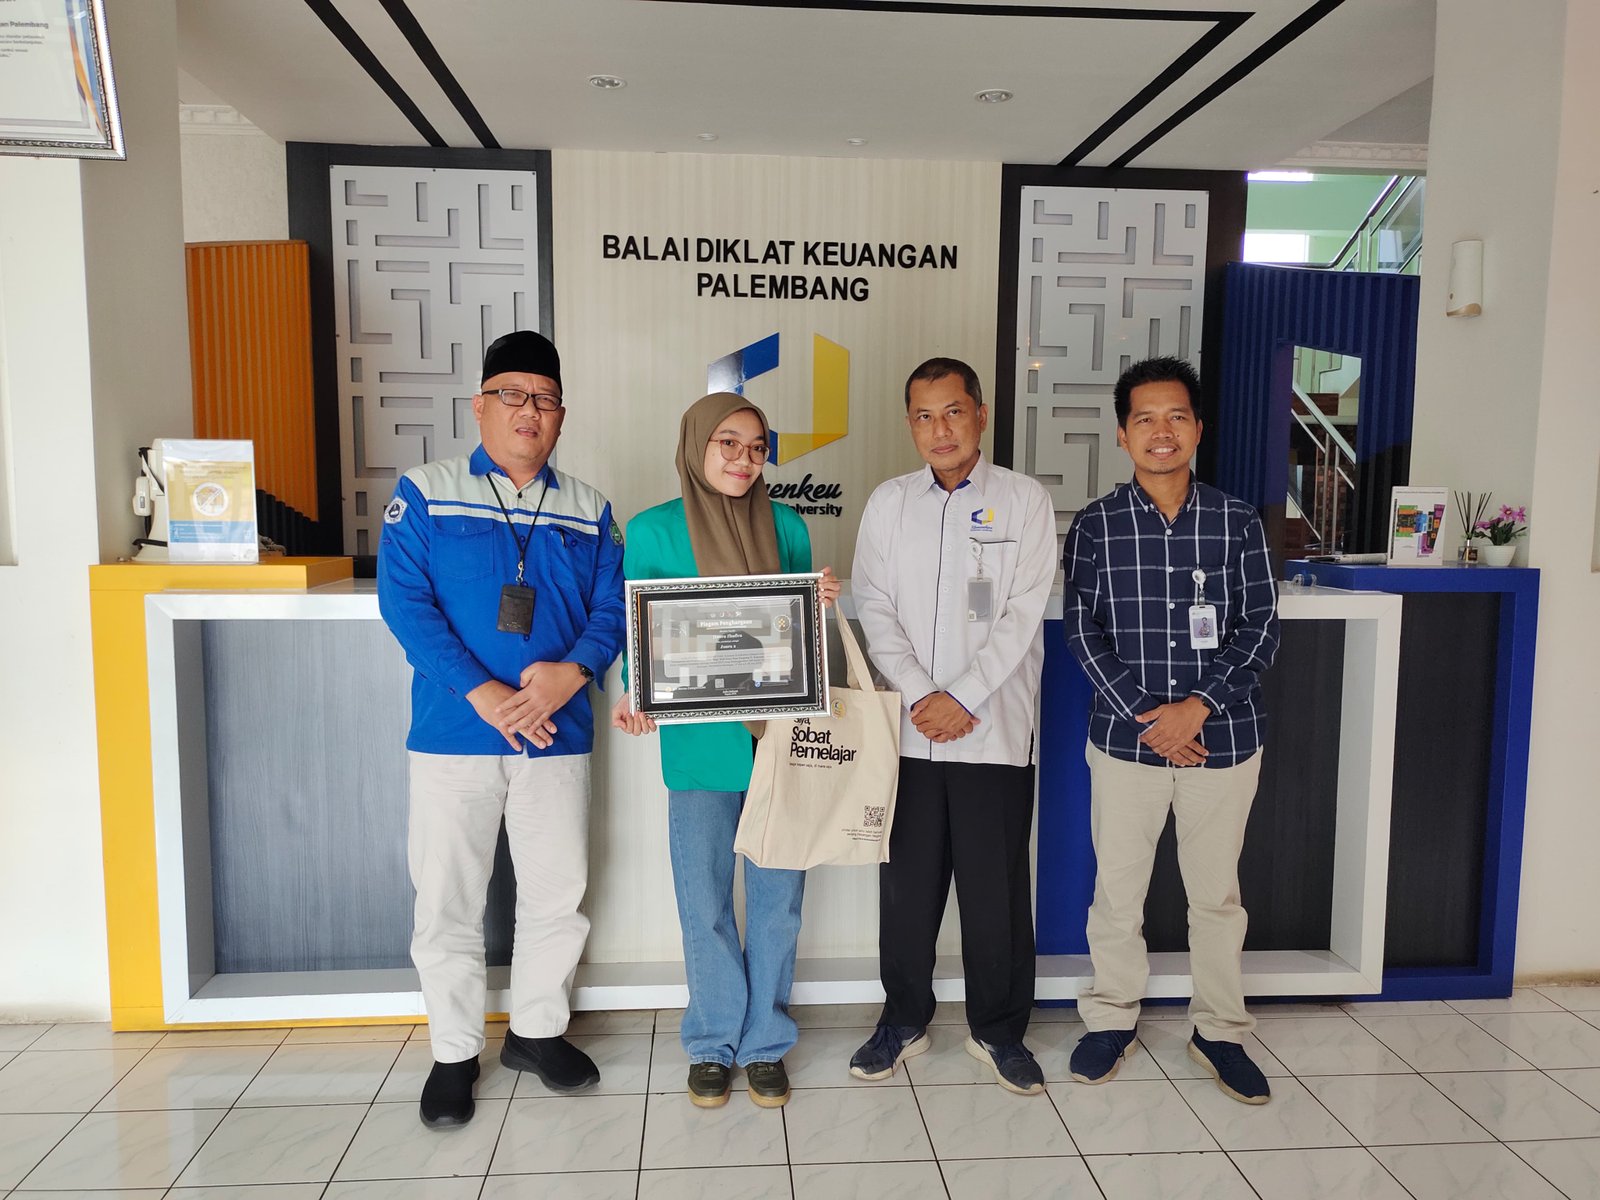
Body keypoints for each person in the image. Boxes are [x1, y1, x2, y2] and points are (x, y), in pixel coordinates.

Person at [377, 330, 625, 1128]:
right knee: (448, 899)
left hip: (558, 733)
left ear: (561, 416)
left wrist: (572, 673)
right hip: (455, 732)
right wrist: (482, 691)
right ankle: (454, 1053)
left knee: (558, 894)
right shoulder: (427, 491)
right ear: (479, 406)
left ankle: (536, 1033)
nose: (529, 411)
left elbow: (613, 609)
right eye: (512, 395)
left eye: (545, 399)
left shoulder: (590, 509)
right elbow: (405, 604)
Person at [612, 392, 840, 1110]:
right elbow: (637, 629)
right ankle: (712, 1042)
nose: (744, 459)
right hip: (698, 745)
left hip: (780, 745)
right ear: (696, 445)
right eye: (728, 443)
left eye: (757, 446)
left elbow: (798, 634)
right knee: (703, 898)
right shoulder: (652, 529)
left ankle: (766, 1042)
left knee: (778, 903)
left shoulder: (787, 524)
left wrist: (818, 603)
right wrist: (634, 691)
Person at [1062, 355, 1280, 1105]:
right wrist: (1148, 716)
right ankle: (1111, 1017)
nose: (1163, 431)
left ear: (1198, 429)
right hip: (1127, 743)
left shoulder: (1237, 521)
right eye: (1146, 419)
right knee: (1118, 893)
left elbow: (1260, 628)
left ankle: (1219, 1029)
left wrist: (1198, 707)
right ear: (1123, 435)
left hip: (1224, 740)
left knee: (1216, 897)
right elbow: (1082, 631)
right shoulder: (1096, 524)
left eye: (1177, 417)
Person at [848, 357, 1056, 1096]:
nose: (940, 429)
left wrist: (962, 697)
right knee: (907, 891)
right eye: (924, 416)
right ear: (910, 424)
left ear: (981, 415)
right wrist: (921, 693)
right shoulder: (890, 503)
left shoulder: (1024, 501)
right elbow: (873, 606)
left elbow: (1023, 612)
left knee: (995, 894)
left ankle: (998, 1030)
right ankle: (903, 1020)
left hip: (992, 730)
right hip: (910, 731)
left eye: (954, 412)